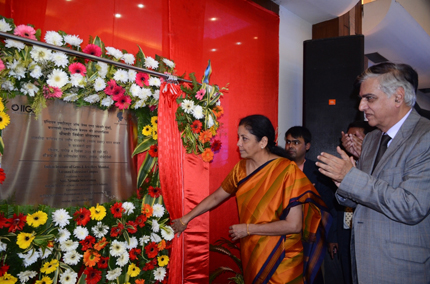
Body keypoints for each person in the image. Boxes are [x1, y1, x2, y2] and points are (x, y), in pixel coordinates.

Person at [172, 115, 331, 284]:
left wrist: (248, 229)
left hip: (283, 257)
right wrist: (185, 219)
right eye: (238, 137)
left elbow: (294, 225)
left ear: (263, 142)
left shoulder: (287, 171)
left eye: (244, 138)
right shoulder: (240, 169)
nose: (238, 144)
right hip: (254, 254)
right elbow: (217, 196)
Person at [316, 62, 430, 284]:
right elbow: (362, 194)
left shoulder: (424, 137)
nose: (361, 106)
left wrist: (351, 177)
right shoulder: (371, 139)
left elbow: (412, 206)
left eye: (369, 98)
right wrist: (342, 183)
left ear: (398, 97)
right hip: (362, 261)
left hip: (401, 268)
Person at [285, 126, 340, 284]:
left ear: (307, 146)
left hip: (312, 236)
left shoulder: (317, 172)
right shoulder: (279, 168)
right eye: (288, 142)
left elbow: (329, 206)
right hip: (285, 235)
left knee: (312, 275)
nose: (290, 146)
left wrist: (332, 238)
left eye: (296, 142)